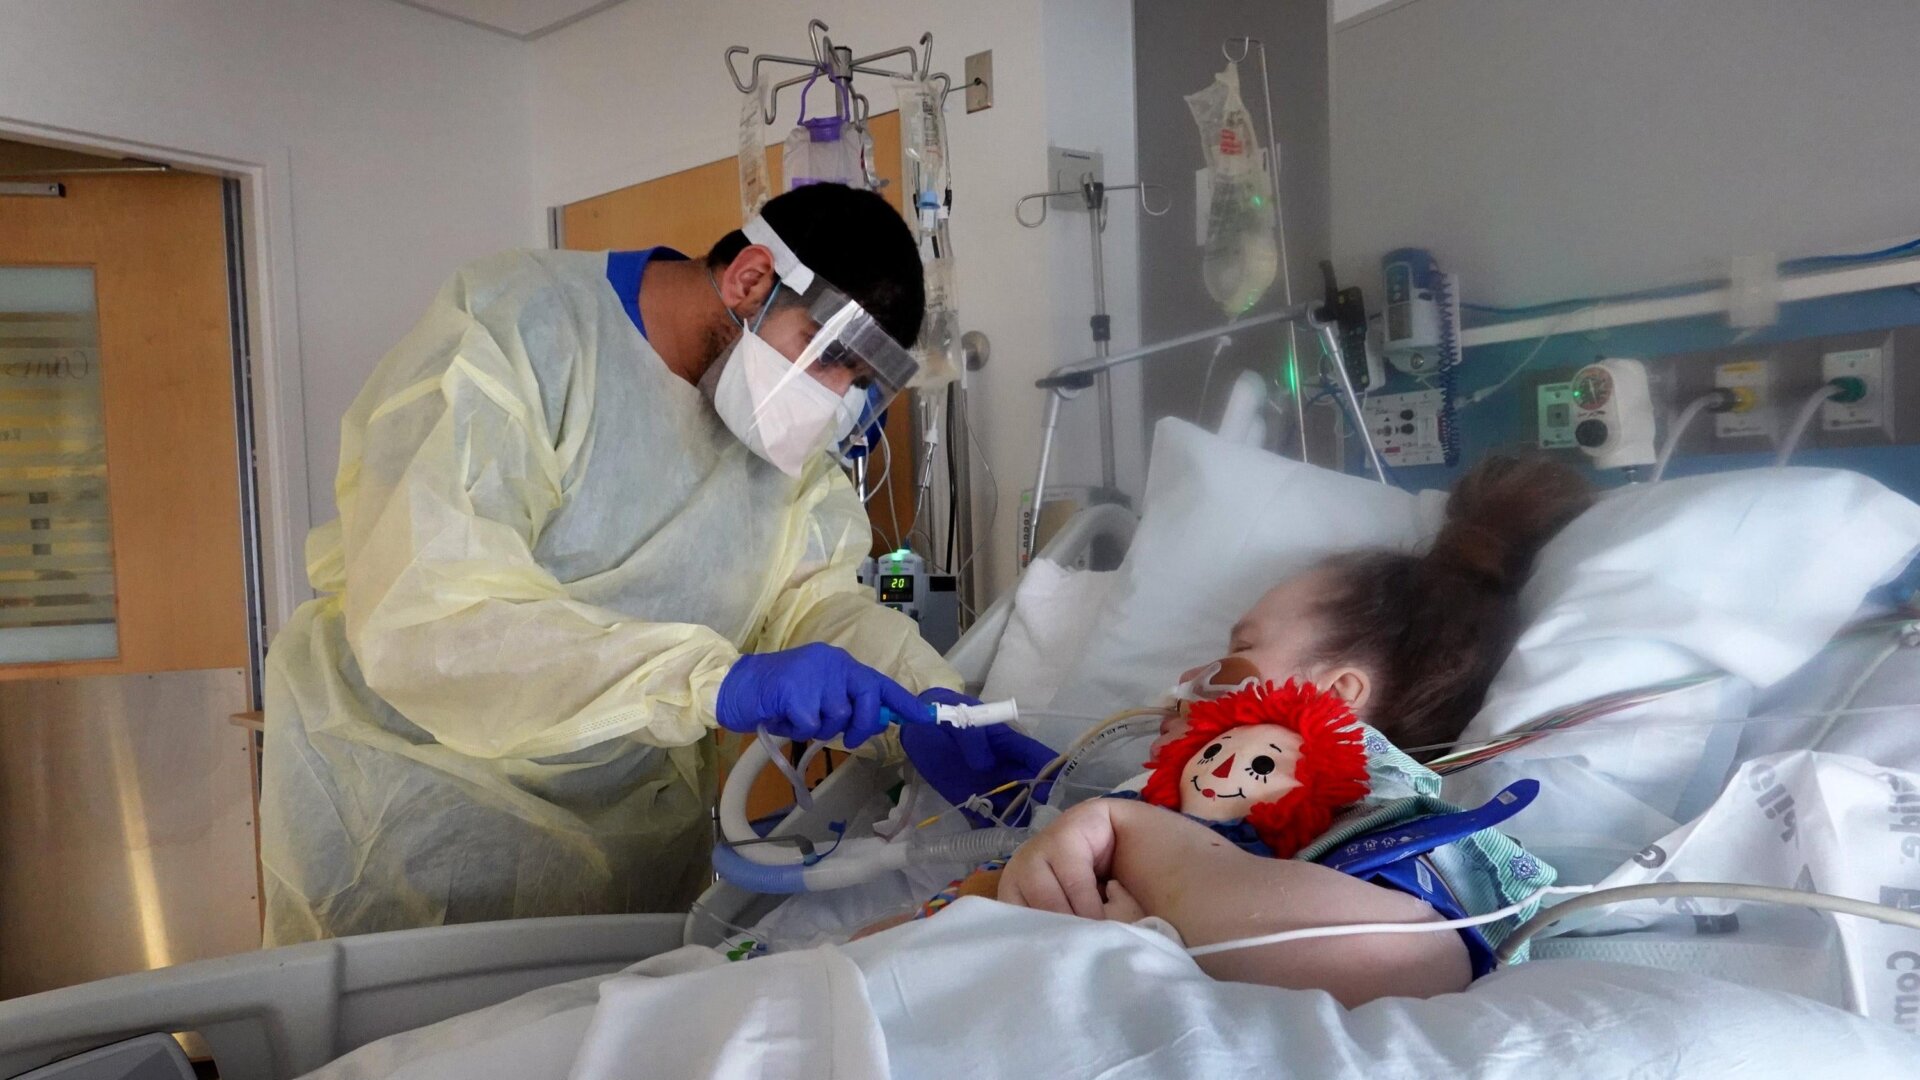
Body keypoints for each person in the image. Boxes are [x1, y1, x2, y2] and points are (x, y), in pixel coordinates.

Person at [258, 183, 1016, 945]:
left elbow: (811, 599)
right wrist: (714, 682)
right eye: (830, 362)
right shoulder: (521, 332)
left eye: (858, 386)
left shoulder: (775, 441)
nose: (834, 402)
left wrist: (933, 706)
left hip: (632, 843)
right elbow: (436, 615)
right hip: (423, 820)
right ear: (751, 278)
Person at [984, 456, 1593, 1004]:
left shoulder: (1381, 805)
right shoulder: (1177, 790)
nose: (1190, 678)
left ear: (1336, 695)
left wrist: (1127, 832)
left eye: (1242, 647)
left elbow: (1397, 959)